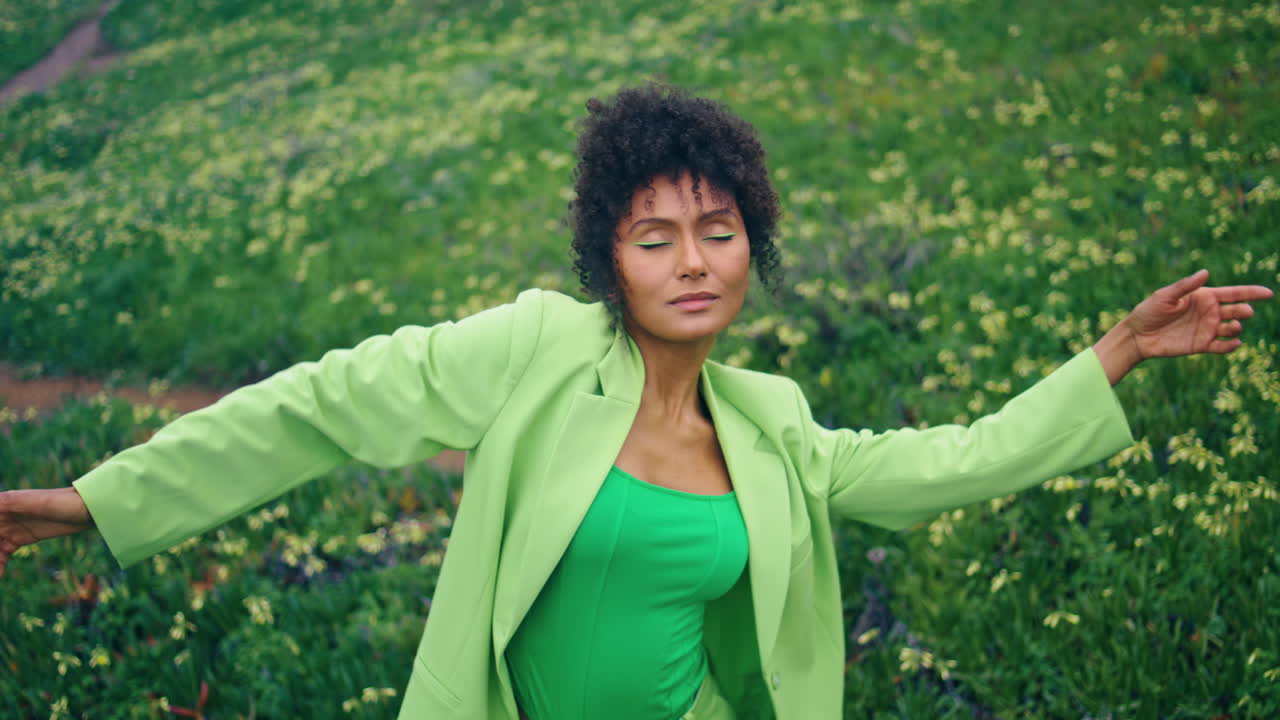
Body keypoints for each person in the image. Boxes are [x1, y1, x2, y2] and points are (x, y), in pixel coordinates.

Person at [0, 83, 1272, 720]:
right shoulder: (537, 351)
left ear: (749, 247)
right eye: (652, 235)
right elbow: (318, 406)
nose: (689, 261)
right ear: (607, 255)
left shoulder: (771, 422)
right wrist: (93, 503)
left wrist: (1108, 356)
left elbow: (949, 460)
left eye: (714, 231)